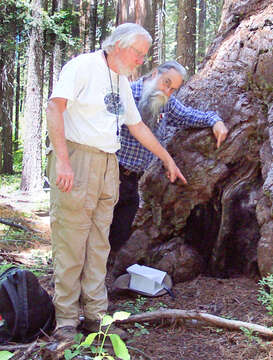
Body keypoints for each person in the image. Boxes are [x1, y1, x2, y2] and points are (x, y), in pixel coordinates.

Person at [45, 23, 187, 342]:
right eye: (138, 53)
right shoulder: (82, 66)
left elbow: (137, 127)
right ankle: (66, 321)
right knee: (71, 241)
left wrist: (167, 158)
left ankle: (95, 316)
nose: (141, 61)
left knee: (99, 244)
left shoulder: (120, 80)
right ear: (119, 45)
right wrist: (64, 161)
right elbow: (55, 107)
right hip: (78, 159)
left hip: (109, 163)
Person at [108, 61, 228, 255]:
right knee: (96, 232)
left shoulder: (166, 103)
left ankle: (100, 278)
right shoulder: (126, 94)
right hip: (109, 174)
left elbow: (188, 116)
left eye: (173, 89)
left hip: (133, 181)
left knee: (119, 235)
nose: (167, 91)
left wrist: (215, 121)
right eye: (166, 83)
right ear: (155, 73)